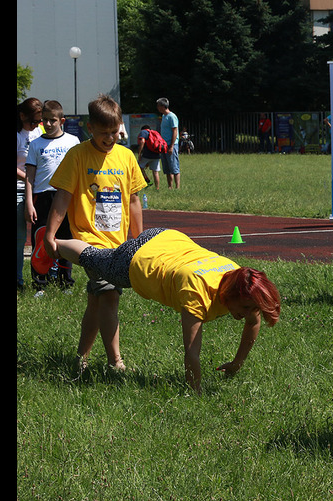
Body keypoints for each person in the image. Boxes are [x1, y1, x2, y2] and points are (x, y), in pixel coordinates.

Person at [47, 228, 280, 395]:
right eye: (247, 307)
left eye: (254, 307)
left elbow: (253, 322)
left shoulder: (239, 278)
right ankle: (53, 245)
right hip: (137, 259)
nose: (250, 313)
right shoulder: (197, 290)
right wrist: (196, 393)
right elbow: (192, 351)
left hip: (167, 237)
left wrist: (237, 363)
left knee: (102, 263)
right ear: (231, 295)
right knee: (94, 258)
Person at [37, 94, 146, 372]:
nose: (110, 139)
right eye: (103, 133)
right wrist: (50, 234)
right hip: (89, 241)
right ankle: (115, 363)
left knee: (96, 301)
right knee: (109, 295)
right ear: (90, 130)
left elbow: (133, 201)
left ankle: (80, 359)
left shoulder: (126, 156)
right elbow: (62, 197)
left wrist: (140, 240)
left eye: (115, 132)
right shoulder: (78, 155)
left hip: (119, 243)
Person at [25, 100, 81, 291]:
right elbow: (30, 177)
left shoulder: (73, 142)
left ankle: (65, 282)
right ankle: (40, 284)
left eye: (53, 121)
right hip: (42, 197)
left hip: (66, 197)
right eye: (44, 120)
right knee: (40, 239)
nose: (48, 124)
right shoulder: (35, 144)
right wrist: (29, 203)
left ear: (62, 120)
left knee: (65, 239)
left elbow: (78, 174)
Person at [17, 97, 43, 292]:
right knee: (19, 237)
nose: (35, 126)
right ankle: (18, 281)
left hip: (39, 189)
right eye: (31, 122)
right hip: (19, 188)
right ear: (21, 115)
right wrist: (29, 179)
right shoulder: (18, 135)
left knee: (42, 234)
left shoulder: (39, 131)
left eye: (38, 122)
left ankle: (44, 278)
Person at [157, 97, 181, 189]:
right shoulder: (164, 116)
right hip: (163, 145)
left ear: (163, 106)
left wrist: (171, 146)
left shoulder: (172, 116)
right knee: (167, 168)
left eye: (158, 106)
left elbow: (175, 131)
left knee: (174, 166)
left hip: (171, 145)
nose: (157, 108)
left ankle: (177, 187)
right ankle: (169, 187)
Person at [136, 125, 162, 190]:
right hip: (156, 155)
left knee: (138, 167)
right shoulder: (155, 133)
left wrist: (139, 153)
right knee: (155, 172)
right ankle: (157, 188)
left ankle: (147, 181)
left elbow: (142, 141)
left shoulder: (143, 132)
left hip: (147, 155)